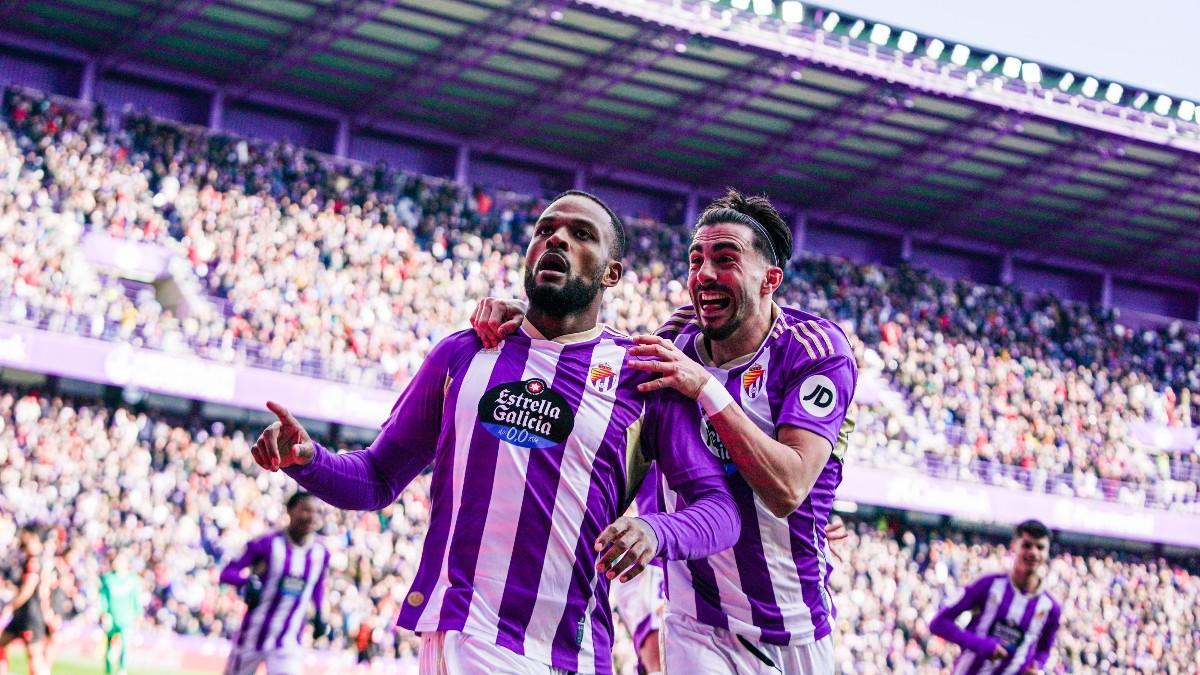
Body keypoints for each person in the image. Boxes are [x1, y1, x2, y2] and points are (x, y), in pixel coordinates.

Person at [251, 190, 741, 675]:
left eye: (581, 234)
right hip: (459, 636)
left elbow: (721, 512)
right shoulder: (463, 353)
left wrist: (655, 530)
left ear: (611, 273)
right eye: (545, 230)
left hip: (566, 653)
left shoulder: (641, 379)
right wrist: (308, 460)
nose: (557, 240)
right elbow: (378, 477)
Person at [472, 189, 858, 673]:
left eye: (725, 259)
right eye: (696, 260)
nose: (704, 274)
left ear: (770, 280)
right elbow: (589, 353)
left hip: (794, 625)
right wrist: (526, 315)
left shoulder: (813, 349)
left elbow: (788, 489)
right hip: (694, 623)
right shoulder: (676, 338)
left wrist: (705, 389)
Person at [930, 519, 1062, 675]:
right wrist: (980, 645)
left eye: (1040, 547)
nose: (1033, 552)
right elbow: (938, 623)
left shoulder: (1050, 607)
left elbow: (1044, 650)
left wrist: (1037, 666)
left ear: (1047, 553)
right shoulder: (988, 584)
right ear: (1014, 546)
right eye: (1027, 545)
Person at [219, 491, 331, 675]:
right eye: (306, 510)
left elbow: (317, 585)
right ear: (290, 510)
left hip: (288, 641)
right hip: (252, 635)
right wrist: (247, 582)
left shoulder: (321, 553)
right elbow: (227, 573)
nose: (312, 516)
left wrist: (319, 613)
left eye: (317, 512)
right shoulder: (266, 543)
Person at [0, 525, 49, 675]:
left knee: (34, 657)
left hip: (30, 616)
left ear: (33, 537)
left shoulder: (34, 560)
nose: (21, 537)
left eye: (25, 534)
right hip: (23, 615)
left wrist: (11, 606)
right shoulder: (34, 558)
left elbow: (28, 590)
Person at [99, 553, 144, 675]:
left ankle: (122, 669)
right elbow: (103, 598)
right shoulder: (108, 579)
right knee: (110, 647)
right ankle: (108, 670)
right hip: (111, 617)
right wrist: (103, 613)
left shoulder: (133, 580)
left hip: (127, 618)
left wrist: (139, 615)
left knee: (124, 645)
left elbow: (137, 599)